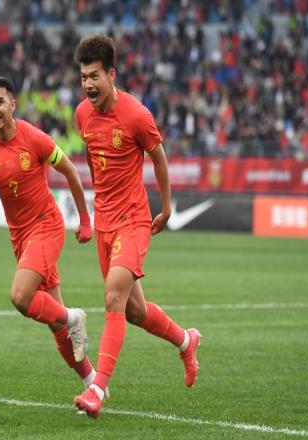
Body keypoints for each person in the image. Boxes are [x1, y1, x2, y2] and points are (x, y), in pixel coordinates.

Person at [72, 35, 201, 419]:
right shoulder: (82, 114)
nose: (88, 84)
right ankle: (185, 341)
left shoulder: (136, 115)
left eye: (94, 76)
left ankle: (97, 390)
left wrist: (166, 207)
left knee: (113, 296)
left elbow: (158, 158)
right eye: (83, 77)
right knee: (134, 312)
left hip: (133, 220)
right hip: (104, 223)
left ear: (111, 74)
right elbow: (94, 159)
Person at [0, 74, 100, 392]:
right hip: (20, 238)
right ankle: (93, 385)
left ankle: (74, 317)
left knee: (21, 297)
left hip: (46, 225)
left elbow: (71, 172)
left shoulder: (34, 138)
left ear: (12, 104)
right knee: (56, 327)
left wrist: (84, 220)